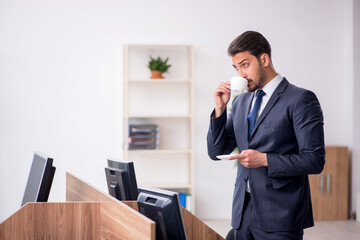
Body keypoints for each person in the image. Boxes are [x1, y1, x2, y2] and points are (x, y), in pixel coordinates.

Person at [207, 31, 325, 240]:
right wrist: (219, 110)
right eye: (236, 68)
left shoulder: (300, 99)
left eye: (245, 64)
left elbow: (314, 160)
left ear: (264, 59)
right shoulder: (240, 102)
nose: (240, 74)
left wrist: (264, 160)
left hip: (281, 216)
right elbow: (217, 151)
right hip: (243, 214)